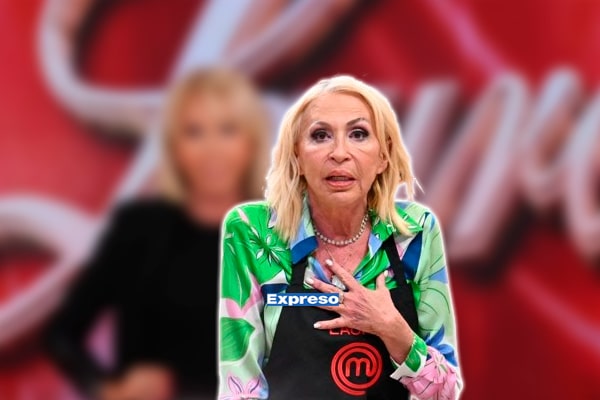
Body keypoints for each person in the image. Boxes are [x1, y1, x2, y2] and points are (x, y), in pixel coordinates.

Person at [218, 75, 462, 399]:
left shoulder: (414, 232)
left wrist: (392, 328)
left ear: (383, 156)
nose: (339, 153)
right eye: (320, 135)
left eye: (358, 134)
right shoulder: (253, 231)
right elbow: (240, 388)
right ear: (297, 156)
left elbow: (444, 392)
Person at [44, 67, 270, 400]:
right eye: (194, 132)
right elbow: (62, 335)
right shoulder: (138, 229)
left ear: (251, 142)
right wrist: (107, 389)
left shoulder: (280, 236)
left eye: (227, 130)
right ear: (175, 147)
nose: (212, 149)